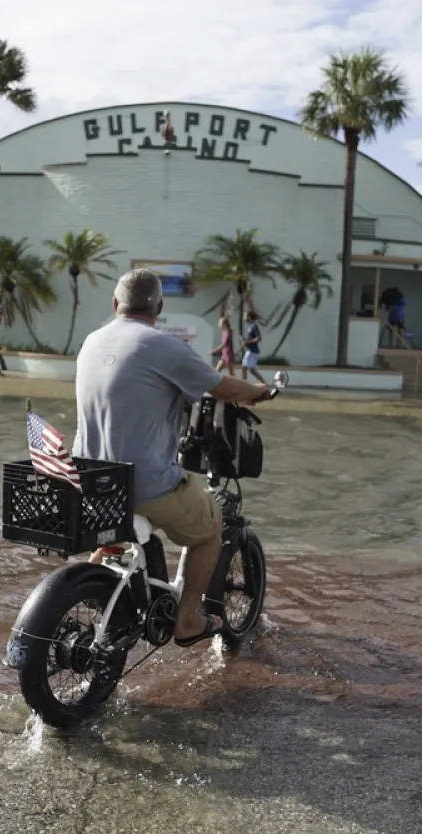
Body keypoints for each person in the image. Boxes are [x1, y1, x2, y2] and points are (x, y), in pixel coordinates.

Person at [74, 269, 271, 647]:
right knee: (210, 527)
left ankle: (91, 583)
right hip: (144, 483)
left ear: (115, 304)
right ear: (159, 308)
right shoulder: (162, 346)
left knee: (116, 526)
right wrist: (259, 392)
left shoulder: (92, 341)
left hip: (91, 478)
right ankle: (187, 619)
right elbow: (225, 387)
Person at [240, 309, 266, 384]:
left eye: (245, 316)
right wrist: (243, 340)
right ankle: (265, 384)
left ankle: (243, 385)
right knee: (251, 370)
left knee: (244, 367)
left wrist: (247, 341)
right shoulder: (249, 326)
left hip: (252, 351)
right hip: (250, 351)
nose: (244, 317)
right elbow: (249, 339)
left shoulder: (254, 326)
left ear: (250, 317)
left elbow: (259, 338)